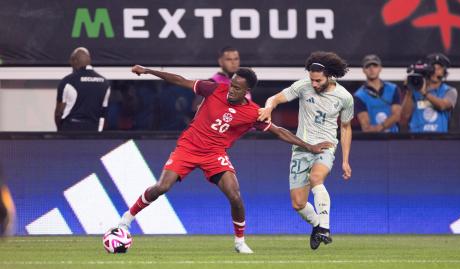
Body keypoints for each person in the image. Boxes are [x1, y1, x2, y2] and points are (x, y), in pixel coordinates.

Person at [117, 65, 333, 254]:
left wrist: (308, 146)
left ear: (247, 91)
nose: (232, 90)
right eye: (231, 85)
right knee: (162, 186)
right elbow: (180, 80)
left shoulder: (252, 112)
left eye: (237, 88)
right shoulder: (214, 89)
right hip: (188, 147)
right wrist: (147, 71)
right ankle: (126, 219)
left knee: (235, 195)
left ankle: (240, 242)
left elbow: (278, 131)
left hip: (215, 154)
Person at [258, 51, 353, 250]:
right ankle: (317, 225)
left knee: (316, 178)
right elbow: (274, 99)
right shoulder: (303, 86)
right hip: (301, 148)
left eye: (318, 80)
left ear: (329, 75)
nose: (315, 84)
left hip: (325, 146)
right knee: (298, 204)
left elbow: (345, 127)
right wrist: (268, 108)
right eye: (312, 79)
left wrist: (345, 160)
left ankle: (325, 228)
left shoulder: (344, 97)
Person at [54, 47, 111, 131]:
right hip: (92, 130)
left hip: (70, 129)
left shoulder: (67, 81)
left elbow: (59, 113)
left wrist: (60, 131)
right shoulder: (105, 83)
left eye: (71, 61)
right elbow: (103, 114)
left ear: (75, 61)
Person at [400, 53, 458, 132]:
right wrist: (409, 91)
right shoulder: (416, 89)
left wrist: (425, 93)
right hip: (416, 139)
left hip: (440, 139)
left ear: (444, 72)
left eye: (439, 68)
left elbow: (442, 106)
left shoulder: (449, 91)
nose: (435, 71)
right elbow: (405, 115)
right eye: (433, 68)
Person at [354, 54, 401, 132]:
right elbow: (366, 126)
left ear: (380, 68)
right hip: (374, 140)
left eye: (375, 66)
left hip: (394, 138)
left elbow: (397, 115)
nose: (371, 69)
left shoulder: (393, 89)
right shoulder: (359, 96)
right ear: (363, 70)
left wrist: (380, 127)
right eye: (368, 66)